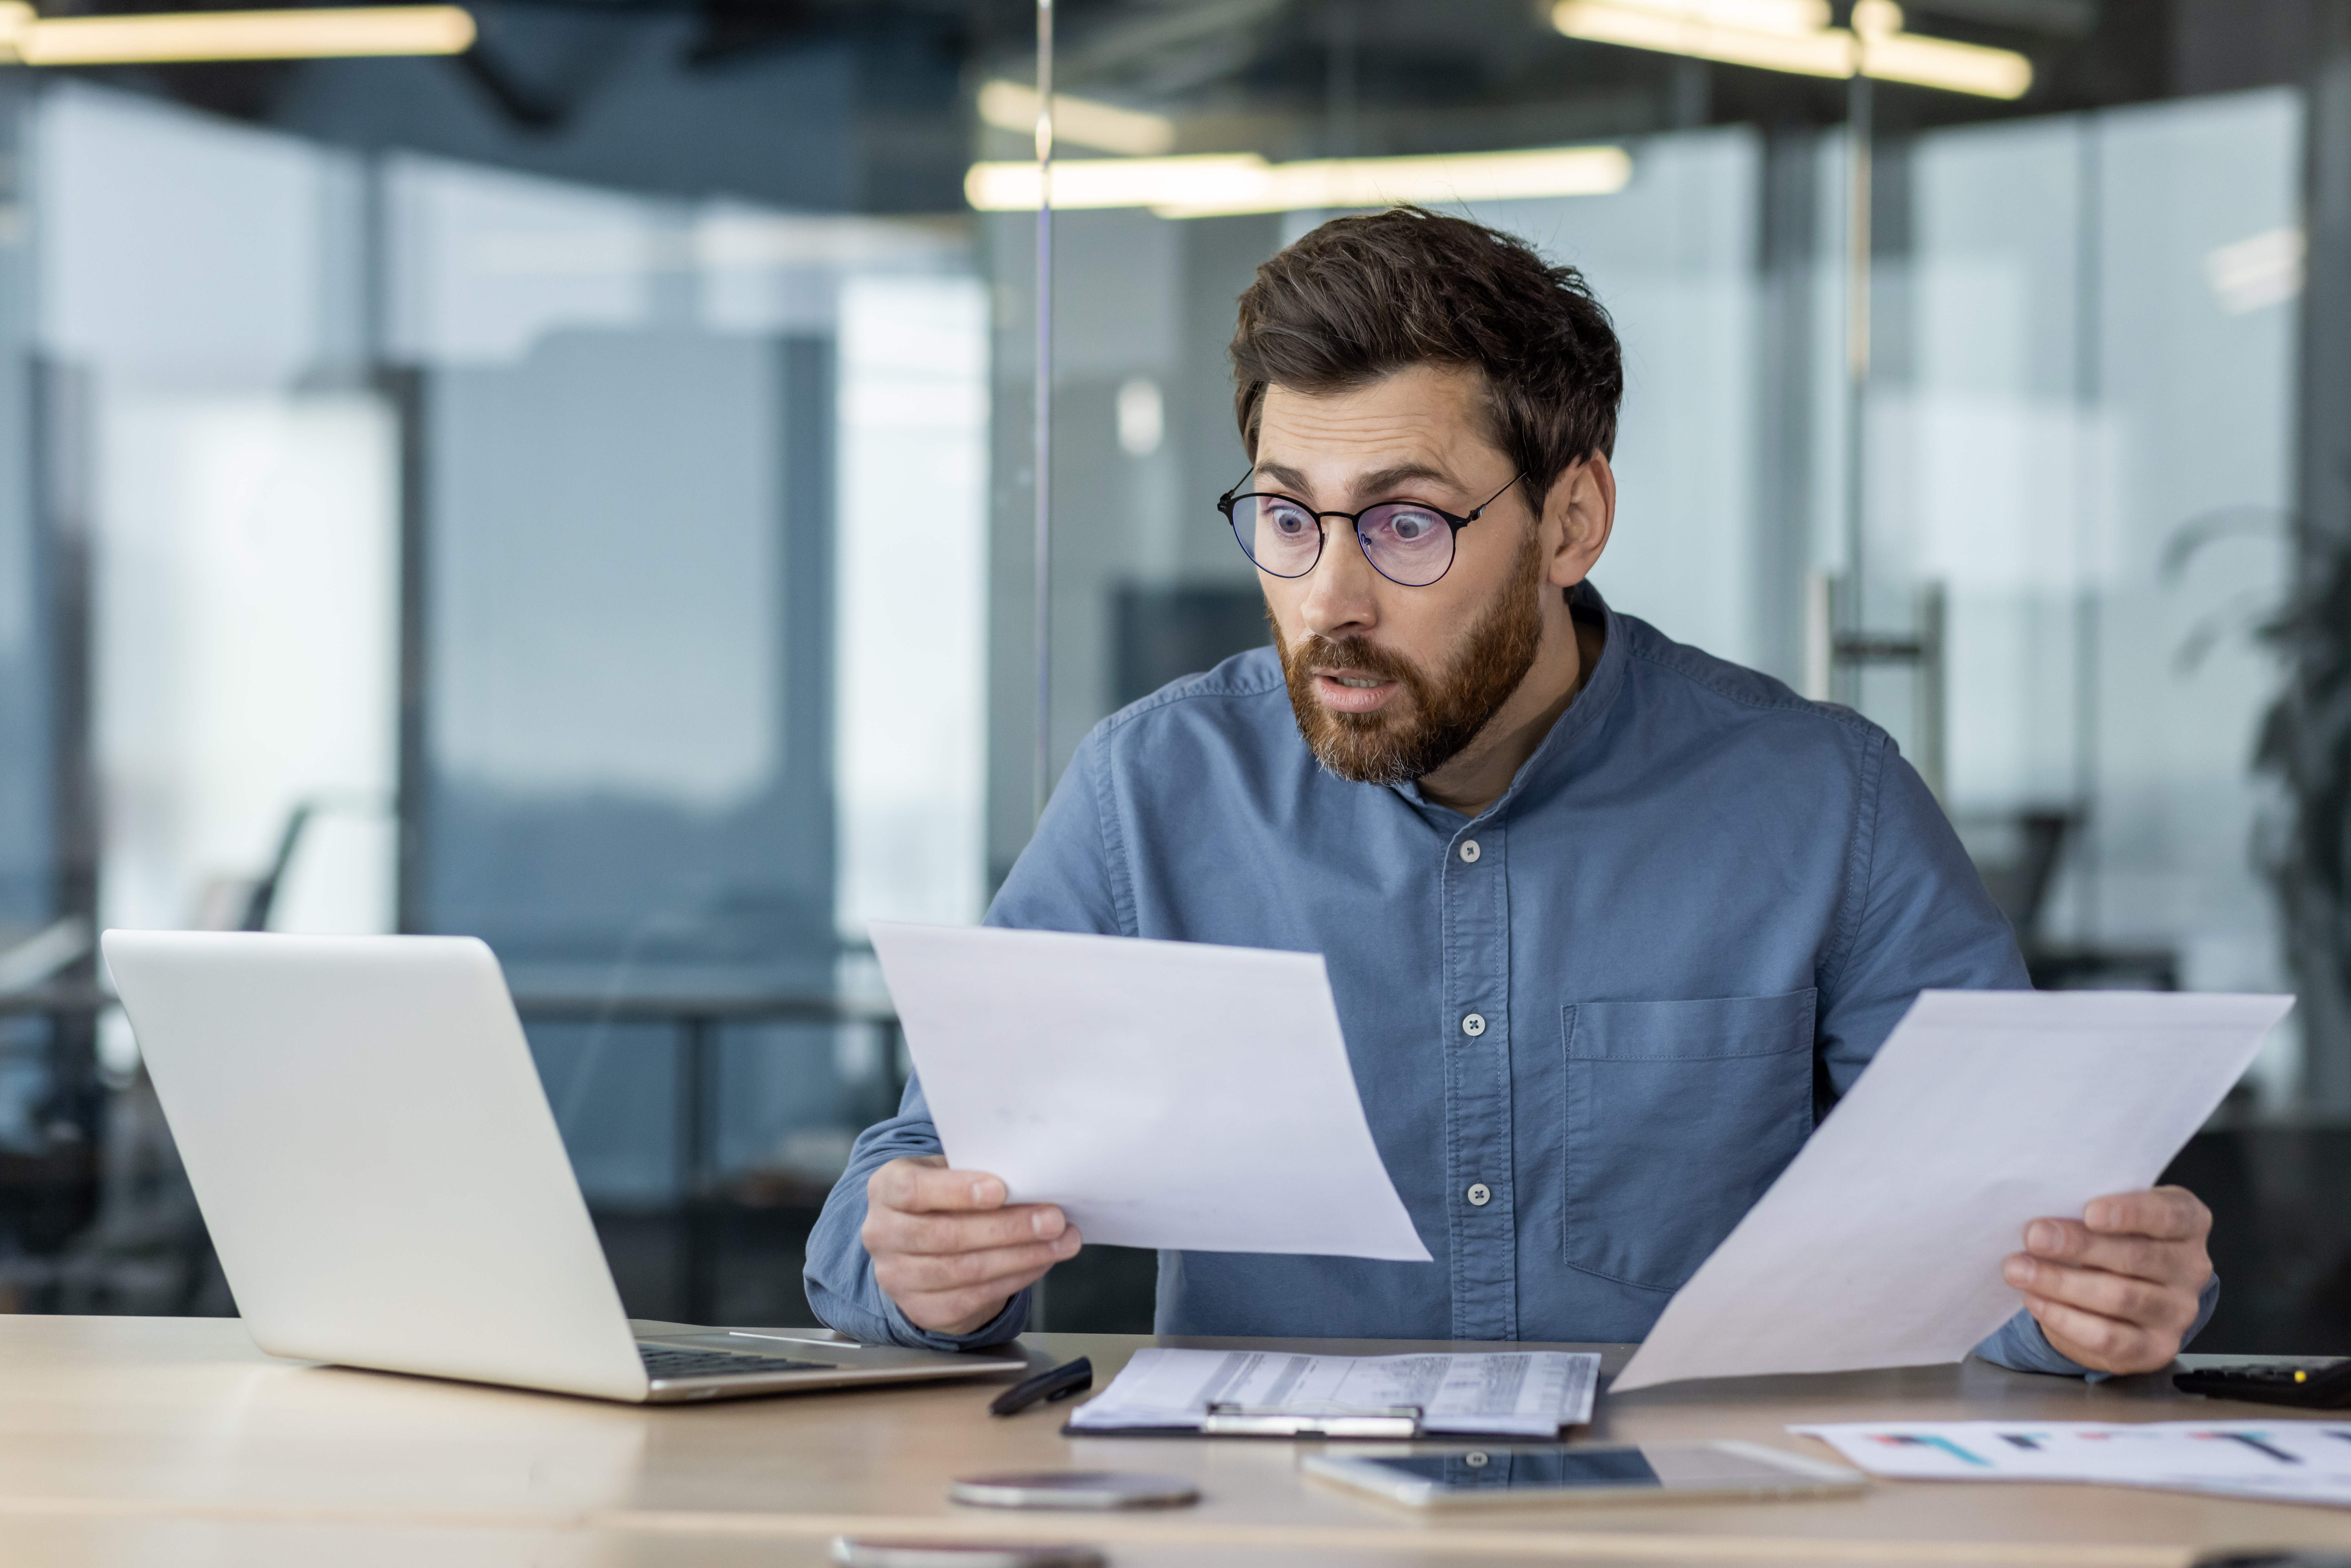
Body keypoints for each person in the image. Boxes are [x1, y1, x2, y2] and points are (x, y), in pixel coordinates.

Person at [804, 207, 2218, 1377]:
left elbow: (2023, 1233)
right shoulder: (1152, 790)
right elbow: (906, 1187)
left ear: (1572, 521)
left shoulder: (1822, 803)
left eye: (1406, 523)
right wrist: (927, 1263)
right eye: (1287, 517)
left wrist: (2094, 1303)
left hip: (1699, 1526)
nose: (1329, 598)